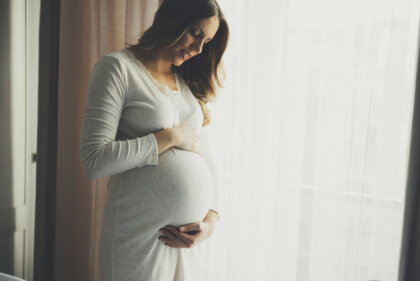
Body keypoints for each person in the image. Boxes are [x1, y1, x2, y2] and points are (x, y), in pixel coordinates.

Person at [79, 0, 229, 280]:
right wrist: (168, 137)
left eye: (206, 41)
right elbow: (94, 160)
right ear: (172, 18)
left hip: (187, 246)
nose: (198, 49)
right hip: (138, 237)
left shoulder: (186, 84)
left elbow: (211, 164)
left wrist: (209, 223)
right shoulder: (118, 69)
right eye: (196, 33)